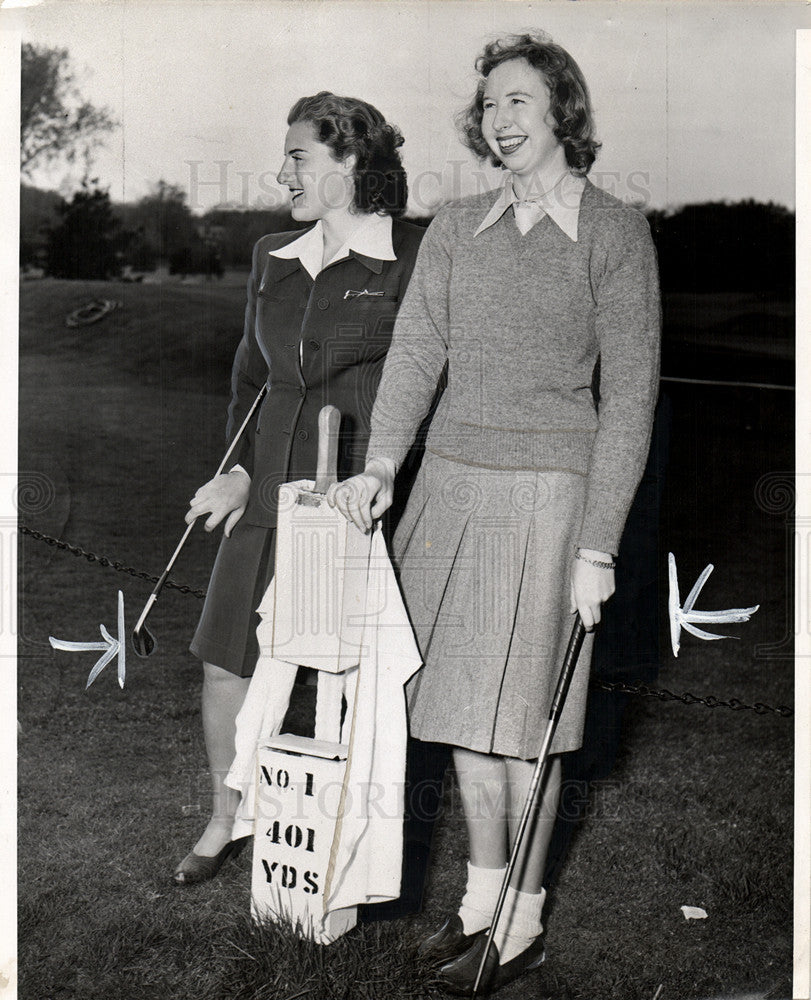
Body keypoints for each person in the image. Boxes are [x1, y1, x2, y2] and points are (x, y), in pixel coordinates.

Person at [330, 32, 660, 996]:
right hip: (450, 492)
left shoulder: (612, 231)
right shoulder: (455, 226)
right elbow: (414, 357)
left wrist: (597, 543)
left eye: (519, 100)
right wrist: (384, 464)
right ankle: (479, 907)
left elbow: (630, 402)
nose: (501, 120)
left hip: (552, 499)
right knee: (466, 726)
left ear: (561, 111)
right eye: (488, 106)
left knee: (527, 728)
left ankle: (521, 926)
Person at [173, 92, 425, 884]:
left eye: (299, 157)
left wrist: (380, 476)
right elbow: (252, 381)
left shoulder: (414, 255)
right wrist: (237, 471)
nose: (283, 172)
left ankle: (339, 841)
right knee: (226, 662)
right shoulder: (271, 257)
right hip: (266, 495)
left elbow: (425, 380)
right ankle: (228, 817)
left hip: (360, 501)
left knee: (344, 680)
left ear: (351, 164)